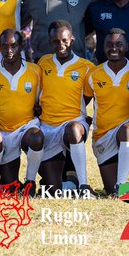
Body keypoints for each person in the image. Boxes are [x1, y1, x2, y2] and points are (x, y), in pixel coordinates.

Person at [36, 21, 94, 194]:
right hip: (47, 127)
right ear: (50, 41)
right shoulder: (43, 62)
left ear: (72, 39)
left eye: (64, 40)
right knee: (53, 190)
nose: (60, 45)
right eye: (55, 41)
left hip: (73, 123)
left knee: (73, 129)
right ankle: (70, 182)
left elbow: (89, 96)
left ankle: (84, 185)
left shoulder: (86, 67)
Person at [0, 29, 44, 187]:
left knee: (37, 138)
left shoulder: (35, 71)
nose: (9, 50)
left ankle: (30, 182)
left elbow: (40, 101)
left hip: (26, 128)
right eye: (4, 46)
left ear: (22, 45)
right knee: (9, 186)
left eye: (13, 46)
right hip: (3, 130)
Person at [83, 29, 129, 195]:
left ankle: (121, 185)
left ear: (127, 47)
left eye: (118, 44)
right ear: (103, 47)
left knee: (128, 130)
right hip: (103, 136)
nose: (113, 48)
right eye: (109, 44)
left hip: (128, 128)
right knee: (109, 190)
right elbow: (83, 103)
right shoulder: (94, 73)